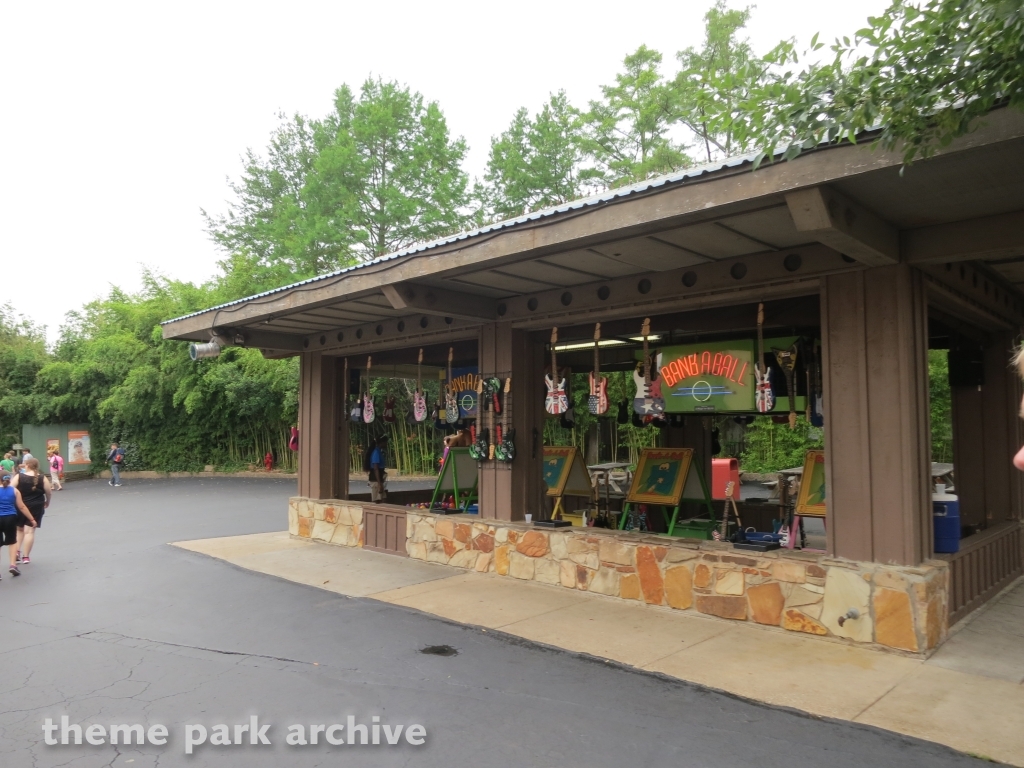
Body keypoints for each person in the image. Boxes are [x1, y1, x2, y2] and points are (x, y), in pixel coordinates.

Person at [12, 459, 50, 566]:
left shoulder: (19, 476)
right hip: (36, 505)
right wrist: (47, 501)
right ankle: (26, 556)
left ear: (27, 465)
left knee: (19, 529)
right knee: (29, 531)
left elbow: (11, 488)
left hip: (20, 504)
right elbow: (49, 492)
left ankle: (16, 551)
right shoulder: (42, 478)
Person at [0, 473, 36, 577]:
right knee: (12, 541)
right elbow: (21, 507)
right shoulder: (15, 491)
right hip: (10, 518)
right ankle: (12, 565)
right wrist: (31, 519)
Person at [368, 435, 389, 503]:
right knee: (378, 500)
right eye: (385, 442)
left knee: (382, 498)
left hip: (379, 478)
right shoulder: (376, 452)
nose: (386, 444)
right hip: (376, 479)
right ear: (381, 442)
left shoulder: (379, 451)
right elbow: (376, 468)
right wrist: (379, 483)